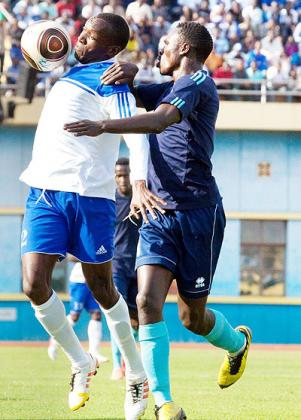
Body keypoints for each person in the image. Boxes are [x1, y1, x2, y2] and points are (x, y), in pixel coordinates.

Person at [65, 21, 252, 420]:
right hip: (156, 214)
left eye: (164, 45)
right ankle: (163, 402)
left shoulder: (196, 83)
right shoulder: (172, 84)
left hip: (199, 215)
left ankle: (236, 344)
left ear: (183, 49)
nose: (159, 50)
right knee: (146, 302)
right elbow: (130, 92)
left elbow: (160, 118)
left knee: (192, 318)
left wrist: (102, 127)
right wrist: (128, 68)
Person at [20, 13, 165, 418]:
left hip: (90, 197)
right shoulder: (71, 73)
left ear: (112, 50)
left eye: (89, 37)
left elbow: (136, 130)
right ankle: (80, 362)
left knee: (104, 290)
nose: (79, 39)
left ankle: (136, 375)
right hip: (45, 191)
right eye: (81, 32)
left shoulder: (109, 76)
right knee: (33, 284)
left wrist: (138, 182)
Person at [111, 157, 141, 381]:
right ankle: (117, 366)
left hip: (140, 265)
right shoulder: (110, 201)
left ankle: (136, 361)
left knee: (138, 319)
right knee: (118, 315)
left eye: (127, 174)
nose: (123, 179)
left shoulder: (142, 197)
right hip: (117, 265)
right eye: (119, 175)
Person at [48, 258, 109, 364]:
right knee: (74, 316)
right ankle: (54, 341)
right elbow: (70, 257)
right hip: (79, 281)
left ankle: (94, 352)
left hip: (93, 282)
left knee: (96, 314)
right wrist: (91, 255)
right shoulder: (84, 242)